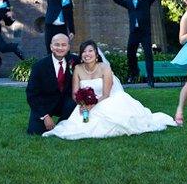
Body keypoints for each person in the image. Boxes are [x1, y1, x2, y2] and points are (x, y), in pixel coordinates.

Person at [43, 39, 177, 139]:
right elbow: (75, 93)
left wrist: (92, 106)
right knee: (75, 126)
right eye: (84, 51)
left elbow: (106, 94)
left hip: (104, 100)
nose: (87, 54)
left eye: (90, 50)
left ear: (96, 54)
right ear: (81, 55)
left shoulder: (105, 68)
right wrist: (83, 104)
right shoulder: (77, 69)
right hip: (84, 105)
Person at [111, 0, 160, 87]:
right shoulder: (128, 1)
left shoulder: (146, 0)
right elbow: (117, 0)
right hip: (134, 32)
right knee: (130, 53)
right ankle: (134, 72)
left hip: (145, 32)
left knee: (148, 54)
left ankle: (150, 79)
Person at [26, 33, 79, 135]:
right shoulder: (39, 66)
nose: (60, 48)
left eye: (63, 45)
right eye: (56, 44)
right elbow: (31, 94)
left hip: (66, 104)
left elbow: (92, 63)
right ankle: (47, 120)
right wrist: (45, 116)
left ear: (68, 47)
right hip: (45, 104)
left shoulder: (74, 61)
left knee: (74, 103)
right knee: (35, 132)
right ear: (51, 46)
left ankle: (61, 125)